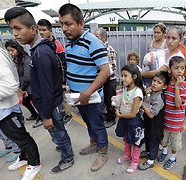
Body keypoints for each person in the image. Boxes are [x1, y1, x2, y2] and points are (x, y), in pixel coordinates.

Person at [4, 7, 75, 174]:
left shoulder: (41, 53)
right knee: (58, 132)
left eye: (18, 28)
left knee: (58, 132)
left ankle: (68, 157)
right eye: (12, 29)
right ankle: (64, 146)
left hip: (51, 105)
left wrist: (46, 116)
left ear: (33, 29)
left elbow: (47, 88)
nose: (15, 34)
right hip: (49, 104)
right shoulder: (38, 50)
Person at [58, 3, 110, 171]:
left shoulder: (93, 42)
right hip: (77, 95)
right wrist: (68, 86)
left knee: (97, 124)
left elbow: (105, 71)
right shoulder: (69, 42)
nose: (64, 28)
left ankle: (103, 151)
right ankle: (94, 143)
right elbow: (73, 67)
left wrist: (87, 92)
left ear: (80, 23)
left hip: (91, 96)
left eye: (68, 23)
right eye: (61, 24)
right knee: (88, 122)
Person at [0, 43, 42, 180]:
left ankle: (34, 163)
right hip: (1, 108)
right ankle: (24, 157)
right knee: (15, 137)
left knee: (21, 137)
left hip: (5, 108)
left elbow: (9, 84)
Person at [37, 18, 74, 125]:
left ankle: (68, 114)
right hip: (50, 80)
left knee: (63, 98)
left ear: (50, 31)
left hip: (58, 79)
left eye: (44, 30)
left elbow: (63, 65)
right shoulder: (42, 44)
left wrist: (63, 82)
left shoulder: (57, 45)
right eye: (40, 30)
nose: (41, 32)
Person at [157, 56, 186, 170]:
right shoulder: (166, 83)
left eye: (182, 68)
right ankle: (164, 152)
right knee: (164, 139)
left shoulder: (184, 85)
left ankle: (172, 158)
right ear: (170, 70)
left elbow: (178, 104)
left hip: (176, 121)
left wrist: (177, 87)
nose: (180, 71)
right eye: (176, 68)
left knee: (175, 143)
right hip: (165, 119)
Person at [113, 64, 146, 173]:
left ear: (134, 77)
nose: (122, 78)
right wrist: (117, 107)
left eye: (125, 76)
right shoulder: (125, 88)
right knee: (127, 139)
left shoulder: (137, 93)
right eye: (122, 75)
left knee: (136, 142)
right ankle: (126, 155)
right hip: (125, 120)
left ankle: (135, 161)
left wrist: (120, 115)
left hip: (134, 122)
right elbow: (123, 101)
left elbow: (132, 113)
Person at [4, 39, 40, 128]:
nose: (10, 53)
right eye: (9, 51)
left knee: (36, 103)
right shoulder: (17, 59)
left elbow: (27, 77)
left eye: (12, 50)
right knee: (25, 101)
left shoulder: (26, 59)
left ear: (18, 49)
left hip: (31, 86)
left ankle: (41, 118)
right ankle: (34, 114)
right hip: (25, 85)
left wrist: (21, 88)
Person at [138, 71, 170, 170]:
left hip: (155, 126)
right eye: (154, 80)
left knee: (153, 142)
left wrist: (142, 103)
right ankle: (148, 153)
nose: (155, 83)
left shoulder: (160, 98)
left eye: (159, 82)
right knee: (147, 139)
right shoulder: (152, 92)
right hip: (148, 123)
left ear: (164, 87)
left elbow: (151, 114)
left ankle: (151, 160)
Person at [94, 27, 118, 128]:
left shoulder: (109, 49)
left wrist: (102, 74)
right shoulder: (96, 49)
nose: (95, 39)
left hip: (109, 80)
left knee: (110, 100)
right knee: (102, 100)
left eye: (97, 37)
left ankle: (112, 118)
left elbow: (112, 68)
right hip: (101, 79)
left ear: (104, 38)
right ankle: (107, 115)